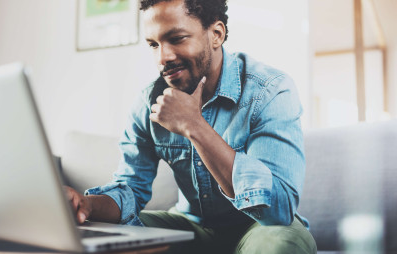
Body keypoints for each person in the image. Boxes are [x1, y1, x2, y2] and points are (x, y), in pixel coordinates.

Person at [64, 0, 317, 253]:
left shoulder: (269, 91)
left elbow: (279, 209)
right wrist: (87, 205)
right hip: (190, 225)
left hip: (260, 227)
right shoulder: (149, 102)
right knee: (102, 232)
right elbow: (131, 188)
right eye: (154, 44)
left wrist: (194, 125)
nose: (163, 57)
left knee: (279, 243)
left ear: (216, 34)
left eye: (177, 38)